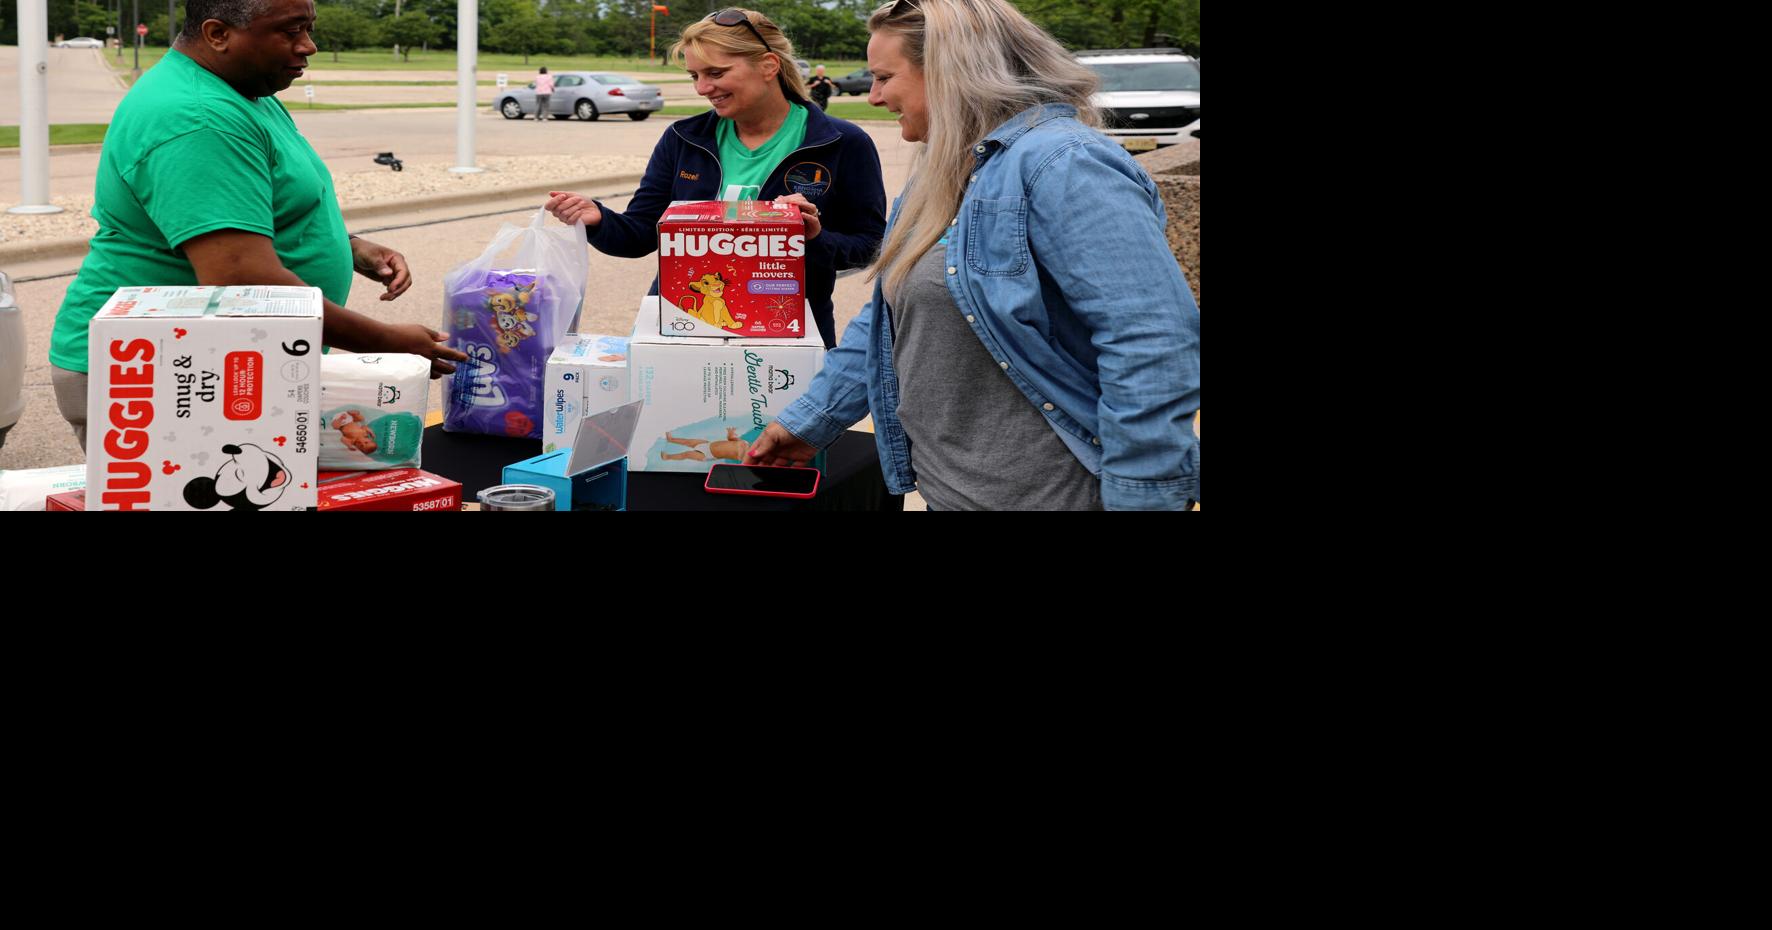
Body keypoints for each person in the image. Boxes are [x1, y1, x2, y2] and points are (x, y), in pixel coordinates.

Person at [747, 0, 1201, 511]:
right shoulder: (943, 172)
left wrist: (1143, 498)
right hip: (956, 493)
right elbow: (891, 318)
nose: (873, 96)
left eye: (885, 77)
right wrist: (811, 420)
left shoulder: (1065, 164)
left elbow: (1151, 343)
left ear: (951, 71)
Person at [48, 0, 464, 447]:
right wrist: (385, 340)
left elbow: (253, 208)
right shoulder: (199, 118)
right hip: (159, 372)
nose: (309, 46)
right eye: (290, 30)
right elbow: (241, 278)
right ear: (218, 34)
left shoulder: (244, 90)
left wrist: (349, 246)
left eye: (309, 27)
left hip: (214, 360)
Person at [543, 8, 886, 349]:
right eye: (695, 75)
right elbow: (641, 234)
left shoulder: (841, 143)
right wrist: (598, 218)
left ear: (768, 66)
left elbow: (870, 246)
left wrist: (814, 237)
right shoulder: (683, 138)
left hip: (789, 338)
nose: (702, 88)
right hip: (681, 331)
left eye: (715, 73)